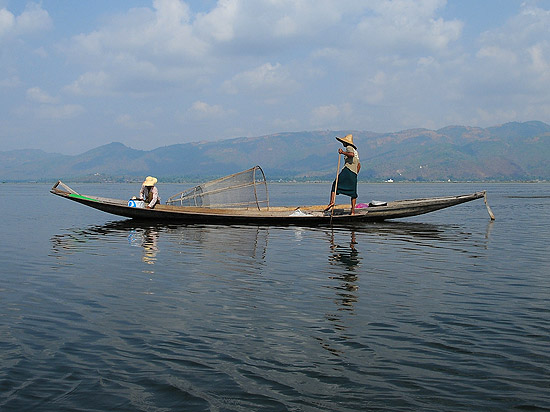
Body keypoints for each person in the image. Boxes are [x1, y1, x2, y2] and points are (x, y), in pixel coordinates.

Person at [325, 134, 361, 215]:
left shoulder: (349, 147)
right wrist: (355, 174)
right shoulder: (356, 152)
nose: (343, 143)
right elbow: (359, 165)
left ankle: (331, 202)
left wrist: (342, 152)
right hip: (353, 173)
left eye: (343, 142)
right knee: (353, 192)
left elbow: (351, 155)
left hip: (347, 170)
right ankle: (352, 211)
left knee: (335, 184)